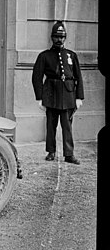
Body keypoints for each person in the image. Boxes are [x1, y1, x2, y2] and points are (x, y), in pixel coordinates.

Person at [32, 21, 84, 164]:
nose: (59, 40)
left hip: (68, 95)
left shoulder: (71, 55)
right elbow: (36, 77)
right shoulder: (44, 56)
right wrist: (39, 98)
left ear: (65, 38)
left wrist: (79, 97)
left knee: (67, 126)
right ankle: (51, 151)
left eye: (62, 37)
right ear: (51, 38)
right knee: (51, 125)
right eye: (56, 37)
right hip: (51, 94)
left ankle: (69, 154)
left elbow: (78, 77)